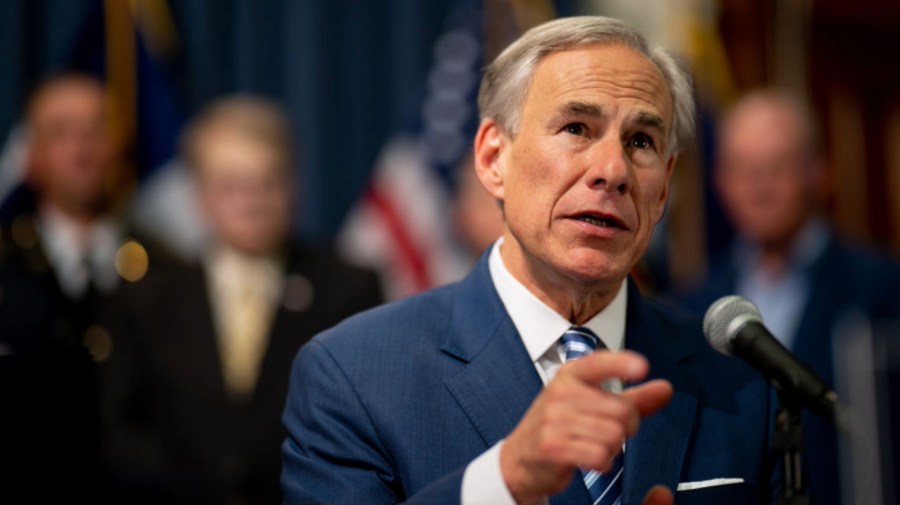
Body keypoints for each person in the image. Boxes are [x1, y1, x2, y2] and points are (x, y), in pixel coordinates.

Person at [281, 16, 774, 505]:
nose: (613, 171)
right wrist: (502, 484)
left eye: (641, 141)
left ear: (664, 186)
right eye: (577, 128)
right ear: (494, 159)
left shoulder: (739, 382)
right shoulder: (354, 375)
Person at [98, 95, 385, 504]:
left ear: (294, 185)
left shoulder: (349, 288)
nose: (251, 202)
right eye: (232, 185)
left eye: (268, 182)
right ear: (200, 194)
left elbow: (363, 423)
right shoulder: (145, 299)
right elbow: (122, 433)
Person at [667, 88, 900, 505]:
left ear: (819, 171)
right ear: (720, 180)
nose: (759, 186)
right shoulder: (691, 307)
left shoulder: (882, 289)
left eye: (776, 166)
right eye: (742, 168)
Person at [0, 71, 163, 502]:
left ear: (121, 148)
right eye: (61, 132)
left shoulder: (170, 271)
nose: (82, 149)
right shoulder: (5, 268)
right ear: (31, 155)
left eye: (96, 130)